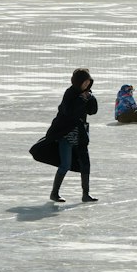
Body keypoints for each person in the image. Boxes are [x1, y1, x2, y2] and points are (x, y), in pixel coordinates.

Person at [46, 69, 99, 202]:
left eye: (89, 82)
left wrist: (90, 98)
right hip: (66, 134)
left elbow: (93, 111)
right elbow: (69, 112)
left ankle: (86, 194)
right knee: (65, 164)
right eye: (85, 82)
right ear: (78, 82)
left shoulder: (87, 93)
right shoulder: (70, 93)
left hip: (81, 134)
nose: (87, 84)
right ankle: (54, 193)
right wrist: (81, 99)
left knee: (85, 164)